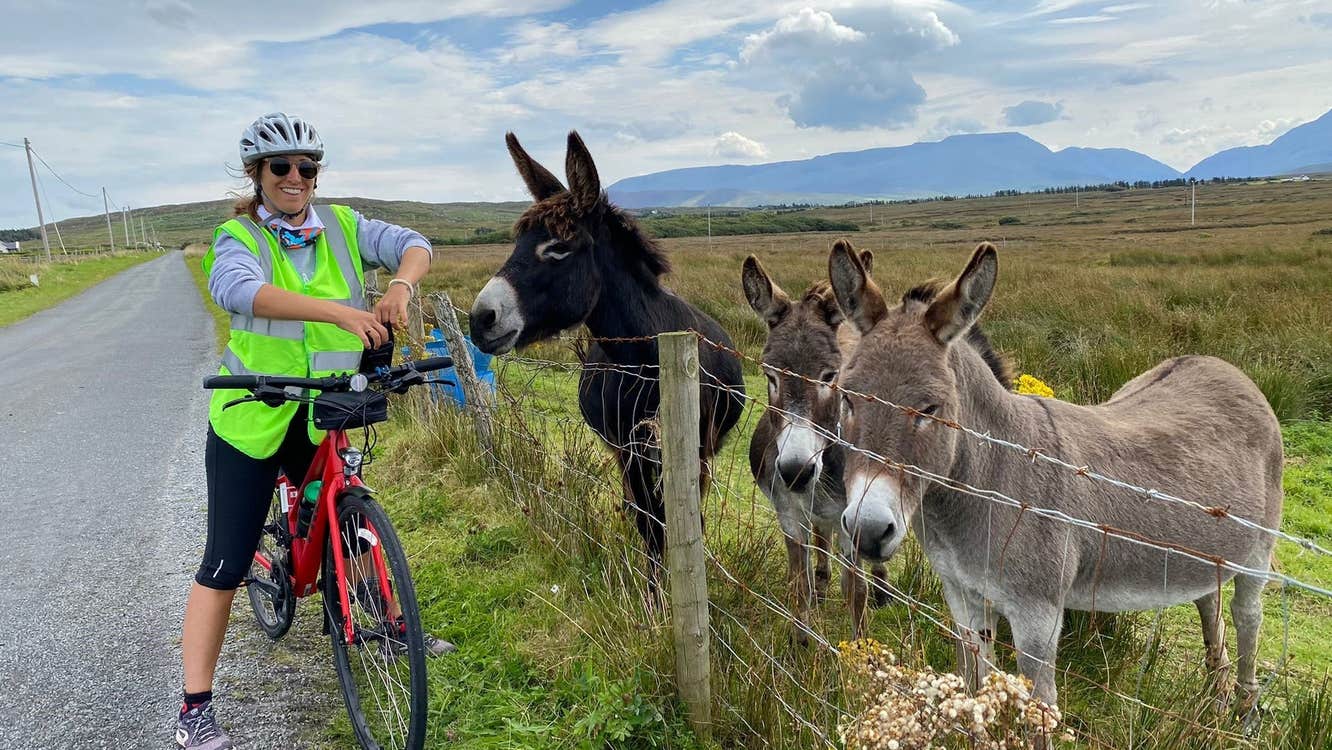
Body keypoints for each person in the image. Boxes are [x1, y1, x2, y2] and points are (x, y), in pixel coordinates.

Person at [177, 113, 453, 750]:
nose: (296, 178)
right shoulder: (238, 235)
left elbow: (414, 242)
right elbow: (237, 291)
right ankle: (195, 707)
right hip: (253, 412)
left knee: (347, 511)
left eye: (307, 168)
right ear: (259, 174)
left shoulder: (343, 225)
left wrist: (403, 286)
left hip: (326, 407)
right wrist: (338, 310)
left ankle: (381, 623)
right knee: (223, 561)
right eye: (282, 168)